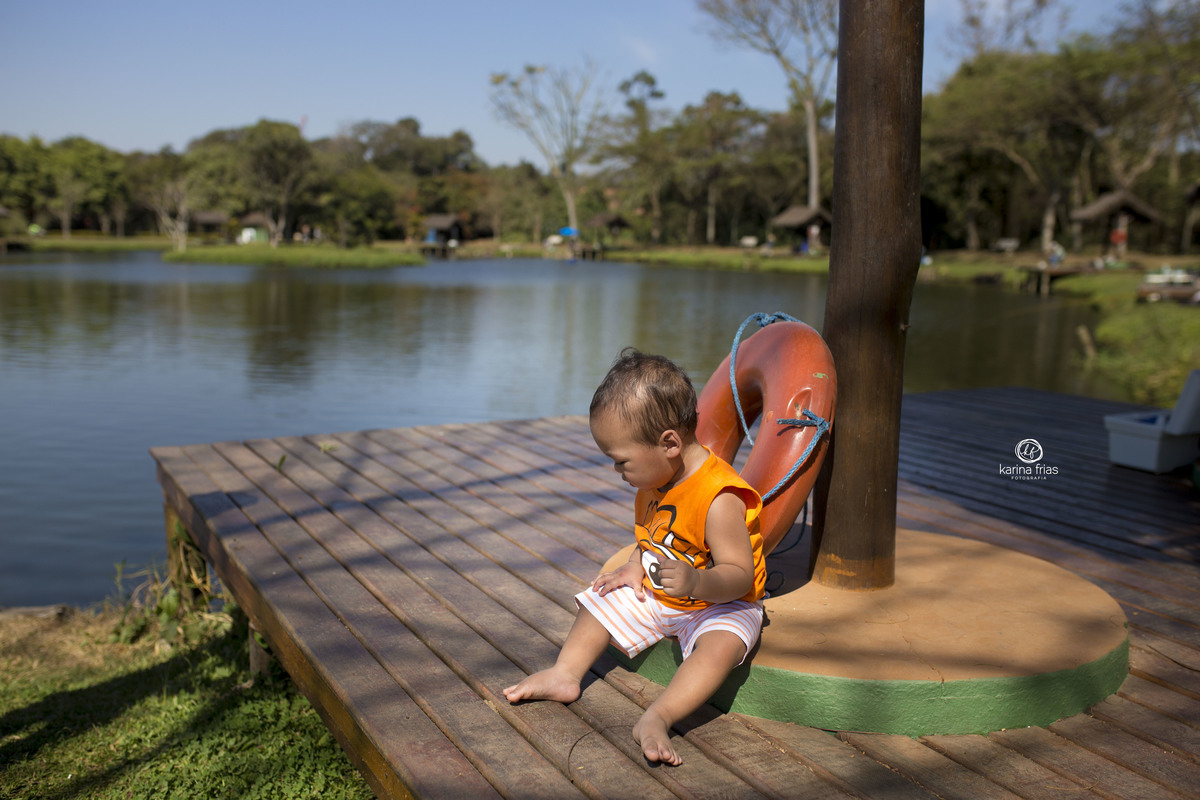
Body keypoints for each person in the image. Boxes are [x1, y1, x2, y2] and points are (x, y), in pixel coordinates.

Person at [503, 348, 766, 766]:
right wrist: (633, 566)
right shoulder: (656, 479)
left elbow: (740, 575)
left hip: (720, 601)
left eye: (621, 461)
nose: (616, 472)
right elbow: (655, 539)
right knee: (602, 595)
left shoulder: (718, 498)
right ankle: (565, 673)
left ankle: (659, 715)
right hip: (666, 593)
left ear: (669, 444)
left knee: (721, 644)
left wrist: (698, 583)